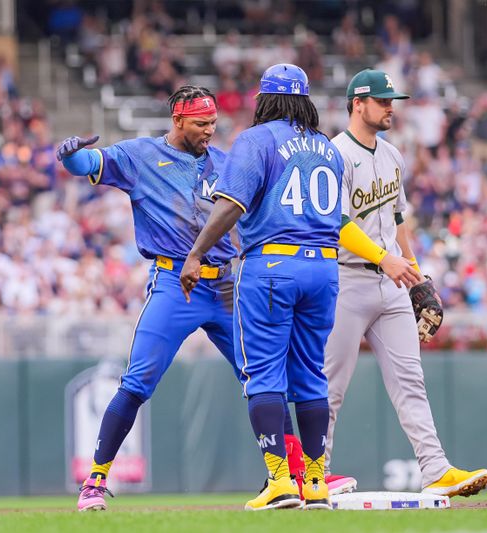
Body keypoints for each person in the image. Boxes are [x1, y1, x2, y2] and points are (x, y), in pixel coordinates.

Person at [56, 85, 305, 511]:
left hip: (226, 285)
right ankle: (95, 481)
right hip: (176, 283)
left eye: (213, 122)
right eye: (201, 123)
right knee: (137, 382)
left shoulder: (227, 163)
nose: (210, 130)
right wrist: (70, 155)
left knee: (266, 378)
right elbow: (89, 163)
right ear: (178, 120)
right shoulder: (140, 156)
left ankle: (292, 478)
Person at [180, 64, 342, 511]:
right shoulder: (328, 147)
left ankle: (279, 480)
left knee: (264, 373)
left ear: (266, 100)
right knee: (311, 374)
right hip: (325, 268)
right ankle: (315, 481)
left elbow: (230, 205)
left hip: (273, 265)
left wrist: (195, 254)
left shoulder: (257, 140)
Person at [323, 68, 487, 498]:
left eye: (391, 101)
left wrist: (418, 278)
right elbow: (338, 223)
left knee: (410, 382)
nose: (389, 108)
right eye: (382, 101)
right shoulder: (334, 154)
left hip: (392, 282)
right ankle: (313, 473)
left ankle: (435, 469)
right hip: (345, 279)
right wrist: (387, 259)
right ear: (357, 104)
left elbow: (397, 221)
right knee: (330, 385)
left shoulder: (393, 155)